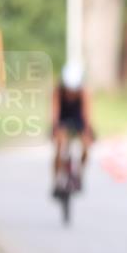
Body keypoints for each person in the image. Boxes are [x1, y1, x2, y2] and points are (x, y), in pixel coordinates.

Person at [52, 62, 94, 193]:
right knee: (59, 146)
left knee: (86, 146)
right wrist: (55, 128)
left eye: (73, 90)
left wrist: (87, 131)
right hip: (63, 117)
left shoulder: (84, 92)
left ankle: (79, 173)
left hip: (78, 117)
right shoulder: (58, 91)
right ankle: (57, 180)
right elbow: (54, 112)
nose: (71, 92)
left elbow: (86, 114)